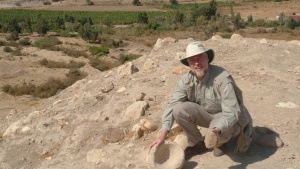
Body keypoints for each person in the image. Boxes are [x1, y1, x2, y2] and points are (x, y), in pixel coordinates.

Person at [148, 41, 253, 159]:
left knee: (217, 136)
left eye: (200, 58)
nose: (197, 63)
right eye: (192, 60)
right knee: (178, 110)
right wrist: (162, 135)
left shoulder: (222, 78)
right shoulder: (187, 80)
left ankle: (221, 142)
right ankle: (198, 143)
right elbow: (173, 104)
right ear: (188, 63)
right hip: (206, 115)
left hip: (226, 117)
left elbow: (232, 113)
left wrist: (216, 131)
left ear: (207, 58)